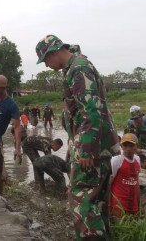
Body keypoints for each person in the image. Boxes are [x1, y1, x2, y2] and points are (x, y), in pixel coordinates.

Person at [36, 35, 120, 240]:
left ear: (54, 53)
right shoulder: (75, 67)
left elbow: (91, 111)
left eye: (46, 61)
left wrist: (86, 150)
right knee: (96, 203)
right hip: (96, 146)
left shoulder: (79, 68)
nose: (47, 66)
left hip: (93, 149)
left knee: (82, 203)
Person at [110, 133, 141, 221]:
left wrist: (138, 206)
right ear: (121, 146)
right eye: (125, 145)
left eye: (131, 145)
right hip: (117, 207)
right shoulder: (116, 160)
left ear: (136, 146)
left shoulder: (137, 160)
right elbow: (109, 184)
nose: (128, 149)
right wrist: (108, 207)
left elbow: (136, 184)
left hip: (133, 207)